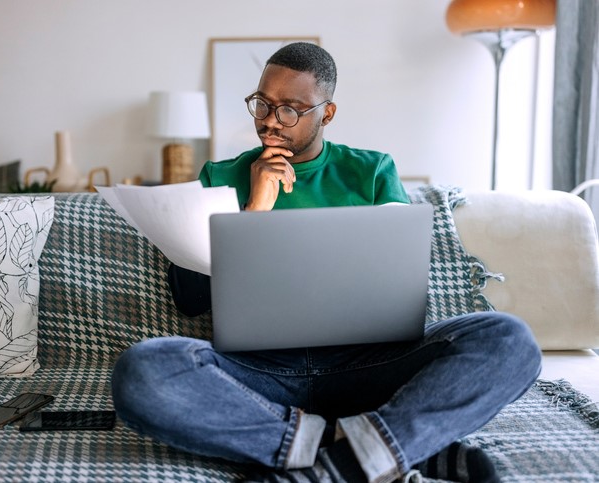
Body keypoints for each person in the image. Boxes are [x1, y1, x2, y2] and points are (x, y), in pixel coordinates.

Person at [112, 42, 541, 483]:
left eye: (290, 109)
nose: (270, 121)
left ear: (327, 113)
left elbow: (399, 287)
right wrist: (254, 211)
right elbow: (189, 300)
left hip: (369, 368)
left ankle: (323, 459)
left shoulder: (371, 172)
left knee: (510, 340)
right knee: (141, 371)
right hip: (259, 373)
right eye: (262, 104)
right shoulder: (219, 177)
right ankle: (369, 450)